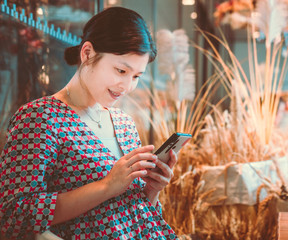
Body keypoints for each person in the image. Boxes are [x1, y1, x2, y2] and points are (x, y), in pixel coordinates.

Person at [0, 7, 178, 240]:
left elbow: (136, 215)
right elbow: (14, 215)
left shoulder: (124, 124)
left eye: (136, 76)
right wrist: (107, 186)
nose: (127, 86)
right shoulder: (40, 118)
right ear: (87, 53)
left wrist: (150, 191)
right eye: (120, 70)